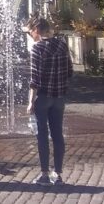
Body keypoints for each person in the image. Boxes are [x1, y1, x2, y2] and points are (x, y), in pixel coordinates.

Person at [25, 16, 74, 186]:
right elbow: (69, 70)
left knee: (42, 136)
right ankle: (58, 174)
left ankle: (45, 174)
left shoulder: (37, 48)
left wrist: (31, 102)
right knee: (58, 135)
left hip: (43, 97)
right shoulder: (62, 44)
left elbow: (35, 78)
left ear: (36, 30)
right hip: (59, 97)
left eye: (30, 32)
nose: (30, 35)